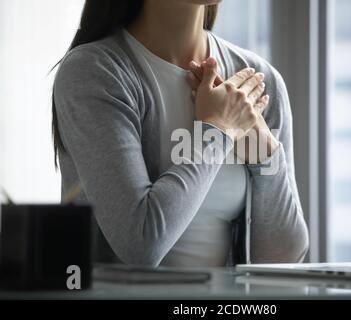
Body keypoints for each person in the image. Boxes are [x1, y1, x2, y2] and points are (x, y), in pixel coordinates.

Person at [52, 0, 309, 267]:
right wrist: (219, 131)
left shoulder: (256, 81)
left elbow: (284, 256)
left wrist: (264, 153)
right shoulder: (95, 71)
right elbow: (140, 246)